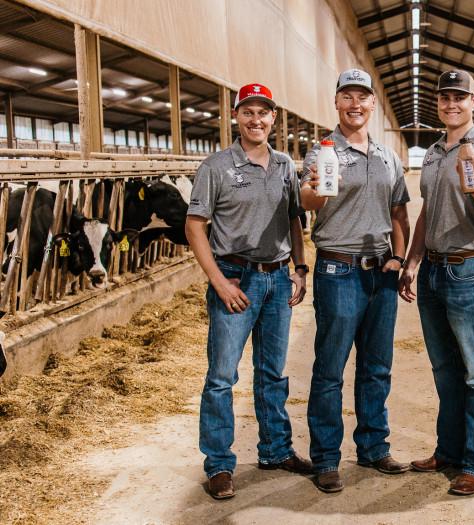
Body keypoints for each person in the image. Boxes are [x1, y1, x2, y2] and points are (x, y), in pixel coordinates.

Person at [185, 83, 312, 500]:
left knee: (273, 373)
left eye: (264, 112)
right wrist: (218, 283)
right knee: (222, 376)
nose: (256, 120)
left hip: (277, 280)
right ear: (236, 117)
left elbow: (295, 219)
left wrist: (299, 267)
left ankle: (275, 450)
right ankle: (219, 464)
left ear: (274, 118)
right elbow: (194, 227)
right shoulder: (217, 166)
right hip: (235, 279)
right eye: (248, 112)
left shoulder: (285, 165)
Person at [399, 70, 474, 496]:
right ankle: (448, 449)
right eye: (445, 98)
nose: (451, 104)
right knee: (446, 370)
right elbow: (429, 209)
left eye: (459, 98)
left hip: (470, 269)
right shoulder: (432, 154)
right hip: (433, 271)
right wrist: (412, 259)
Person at [301, 69, 411, 493]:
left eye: (362, 97)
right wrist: (317, 190)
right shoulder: (321, 152)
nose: (355, 104)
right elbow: (306, 200)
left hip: (381, 271)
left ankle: (373, 447)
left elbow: (399, 213)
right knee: (330, 369)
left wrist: (399, 257)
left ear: (372, 105)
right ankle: (326, 458)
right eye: (347, 96)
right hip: (338, 270)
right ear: (336, 103)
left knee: (376, 368)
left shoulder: (387, 157)